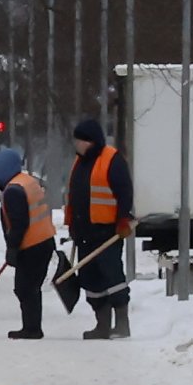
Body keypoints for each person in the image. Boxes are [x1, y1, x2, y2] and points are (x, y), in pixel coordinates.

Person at [65, 117, 136, 339]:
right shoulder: (79, 163)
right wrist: (72, 224)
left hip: (107, 232)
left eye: (79, 140)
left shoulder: (112, 160)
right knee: (90, 279)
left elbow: (124, 192)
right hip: (84, 233)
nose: (76, 144)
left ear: (90, 141)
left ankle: (122, 324)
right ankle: (102, 325)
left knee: (112, 275)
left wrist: (122, 219)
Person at [0, 144, 56, 339]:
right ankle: (31, 326)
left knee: (25, 288)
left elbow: (19, 223)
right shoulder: (27, 181)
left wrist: (12, 248)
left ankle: (32, 329)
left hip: (32, 245)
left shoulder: (14, 190)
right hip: (44, 241)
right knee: (30, 287)